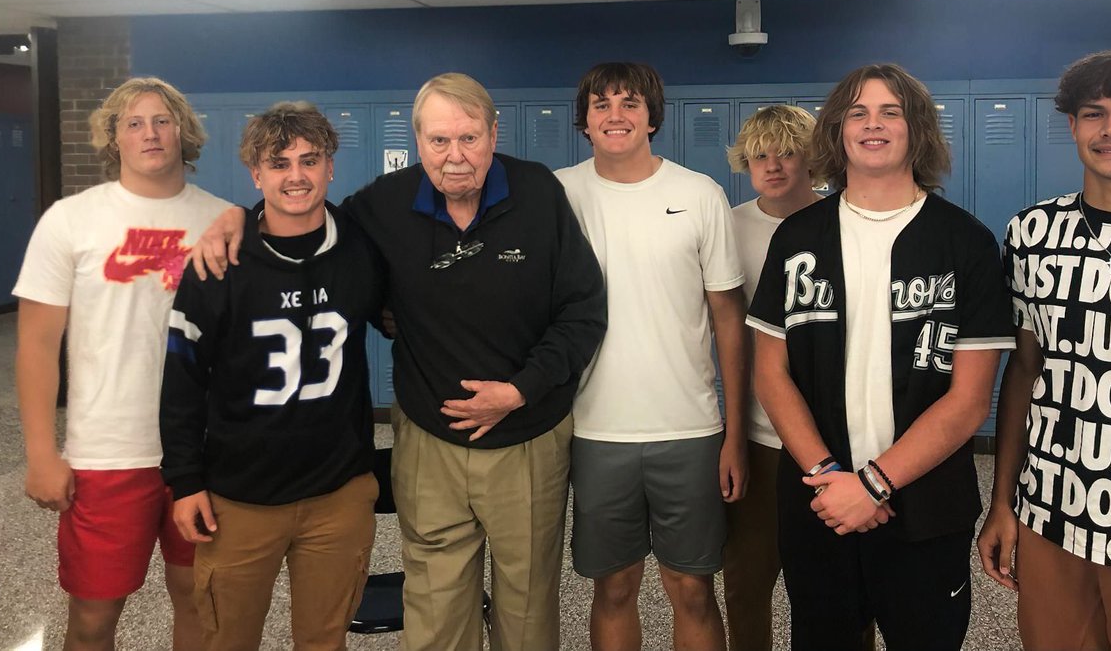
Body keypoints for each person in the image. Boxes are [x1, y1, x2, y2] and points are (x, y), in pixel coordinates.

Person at [192, 73, 606, 651]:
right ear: (417, 142)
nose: (455, 157)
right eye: (439, 141)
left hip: (526, 436)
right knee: (434, 603)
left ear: (493, 134)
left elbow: (584, 311)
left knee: (528, 602)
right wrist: (239, 216)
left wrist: (520, 390)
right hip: (428, 440)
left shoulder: (537, 192)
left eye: (469, 138)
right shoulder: (382, 206)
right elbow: (303, 214)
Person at [748, 63, 1016, 651]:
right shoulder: (797, 239)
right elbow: (770, 372)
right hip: (820, 504)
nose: (874, 125)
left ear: (916, 129)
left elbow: (970, 400)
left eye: (891, 112)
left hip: (925, 508)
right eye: (858, 113)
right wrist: (827, 477)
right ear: (837, 131)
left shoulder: (963, 242)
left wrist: (873, 484)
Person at [977, 47, 1111, 651]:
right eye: (1094, 113)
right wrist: (1003, 502)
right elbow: (1025, 372)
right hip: (1050, 507)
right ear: (1072, 126)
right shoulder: (1031, 234)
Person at [13, 77, 229, 651]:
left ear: (184, 131)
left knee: (199, 603)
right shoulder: (71, 220)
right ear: (114, 139)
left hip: (206, 451)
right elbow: (36, 344)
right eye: (133, 123)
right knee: (91, 617)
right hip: (107, 453)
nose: (150, 133)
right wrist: (40, 453)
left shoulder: (227, 221)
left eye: (162, 120)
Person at [160, 102, 384, 650]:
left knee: (324, 641)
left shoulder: (361, 247)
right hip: (240, 499)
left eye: (310, 160)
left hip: (338, 493)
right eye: (278, 164)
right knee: (228, 642)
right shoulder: (220, 261)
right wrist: (185, 480)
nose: (296, 176)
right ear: (255, 174)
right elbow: (182, 378)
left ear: (331, 166)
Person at [556, 61, 748, 651]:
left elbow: (728, 321)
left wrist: (734, 433)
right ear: (585, 121)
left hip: (688, 429)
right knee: (613, 587)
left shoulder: (698, 195)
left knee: (692, 588)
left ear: (652, 116)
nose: (616, 115)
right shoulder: (558, 194)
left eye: (630, 103)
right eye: (602, 104)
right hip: (593, 430)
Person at [722, 105, 824, 650]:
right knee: (745, 580)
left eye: (787, 152)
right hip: (760, 438)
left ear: (811, 159)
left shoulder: (843, 221)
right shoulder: (731, 227)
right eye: (761, 155)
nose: (774, 166)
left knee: (836, 588)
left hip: (832, 438)